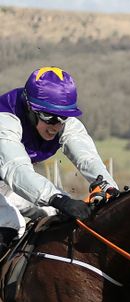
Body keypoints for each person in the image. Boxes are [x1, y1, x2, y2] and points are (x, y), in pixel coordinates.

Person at [0, 67, 118, 253]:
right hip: (10, 175)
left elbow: (88, 159)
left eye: (62, 117)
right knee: (10, 222)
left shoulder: (64, 123)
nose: (55, 125)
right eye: (48, 116)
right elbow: (16, 170)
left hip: (6, 184)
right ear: (30, 108)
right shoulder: (5, 121)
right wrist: (58, 198)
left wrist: (110, 189)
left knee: (56, 215)